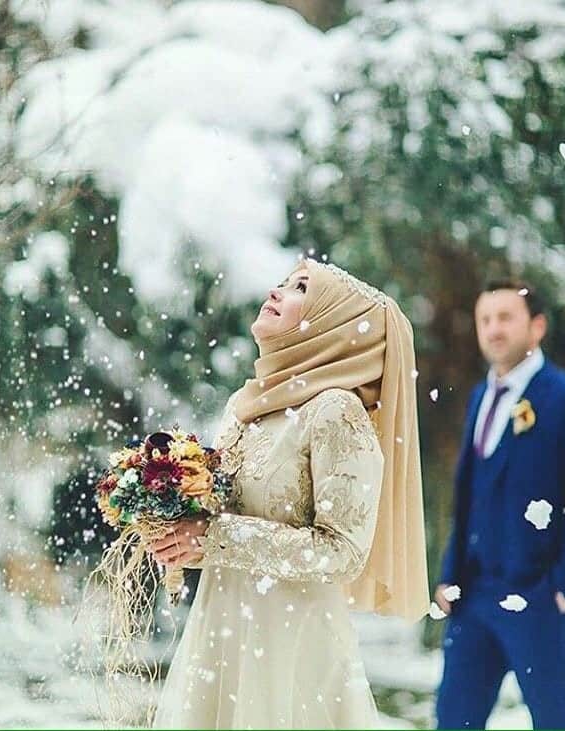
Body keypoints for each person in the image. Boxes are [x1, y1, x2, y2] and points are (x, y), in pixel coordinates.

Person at [149, 257, 430, 729]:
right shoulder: (243, 406)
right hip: (223, 628)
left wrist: (215, 538)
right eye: (281, 282)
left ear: (333, 323)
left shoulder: (336, 412)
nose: (277, 291)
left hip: (290, 643)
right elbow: (221, 519)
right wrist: (175, 526)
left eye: (301, 288)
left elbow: (341, 552)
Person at [435, 281, 565, 730]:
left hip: (538, 596)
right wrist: (449, 577)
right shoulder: (480, 397)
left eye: (505, 317)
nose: (493, 329)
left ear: (536, 327)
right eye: (485, 319)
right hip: (473, 597)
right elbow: (468, 495)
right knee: (453, 720)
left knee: (552, 720)